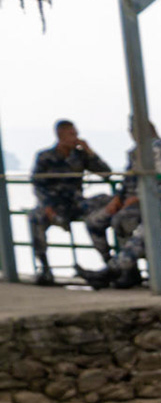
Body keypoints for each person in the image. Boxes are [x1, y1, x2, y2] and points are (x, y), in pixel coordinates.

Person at [78, 121, 161, 290]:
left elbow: (131, 182)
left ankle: (115, 270)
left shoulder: (140, 152)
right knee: (127, 219)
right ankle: (122, 269)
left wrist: (132, 197)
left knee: (132, 222)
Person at [27, 120, 114, 285]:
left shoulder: (80, 155)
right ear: (61, 136)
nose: (76, 138)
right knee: (35, 218)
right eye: (72, 134)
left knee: (100, 212)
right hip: (54, 205)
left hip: (76, 203)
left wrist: (89, 152)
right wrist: (47, 208)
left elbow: (106, 173)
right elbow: (38, 185)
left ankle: (111, 265)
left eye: (76, 134)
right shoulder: (45, 157)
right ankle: (44, 269)